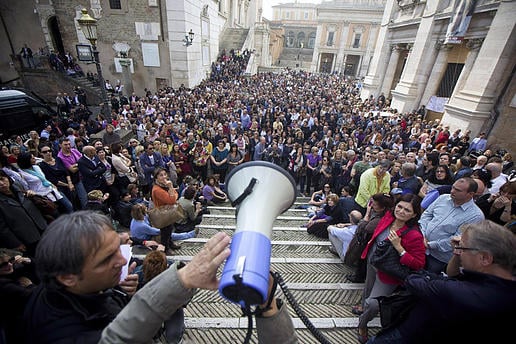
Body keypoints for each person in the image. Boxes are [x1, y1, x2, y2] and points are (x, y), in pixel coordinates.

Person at [367, 220, 516, 343]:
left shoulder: (456, 292)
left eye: (463, 248)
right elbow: (452, 273)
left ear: (485, 258)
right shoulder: (505, 288)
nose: (460, 252)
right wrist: (458, 253)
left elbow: (414, 281)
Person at [357, 193, 426, 343]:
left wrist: (399, 248)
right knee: (367, 290)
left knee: (374, 303)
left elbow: (418, 263)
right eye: (399, 207)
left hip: (389, 272)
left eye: (407, 210)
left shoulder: (414, 235)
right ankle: (363, 315)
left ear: (414, 214)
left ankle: (363, 322)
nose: (401, 211)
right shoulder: (389, 217)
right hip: (373, 261)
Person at [419, 177, 485, 273]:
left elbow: (458, 240)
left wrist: (430, 245)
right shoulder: (443, 198)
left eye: (458, 190)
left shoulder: (475, 216)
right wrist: (422, 234)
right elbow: (427, 215)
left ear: (470, 194)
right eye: (453, 187)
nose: (452, 191)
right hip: (420, 245)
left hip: (438, 258)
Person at [151, 167, 181, 252]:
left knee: (169, 229)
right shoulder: (157, 189)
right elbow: (172, 200)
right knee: (165, 233)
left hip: (167, 211)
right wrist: (171, 187)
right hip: (163, 214)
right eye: (161, 175)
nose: (164, 177)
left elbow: (175, 194)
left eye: (165, 174)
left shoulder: (164, 186)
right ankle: (165, 249)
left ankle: (170, 244)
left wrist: (172, 194)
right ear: (156, 177)